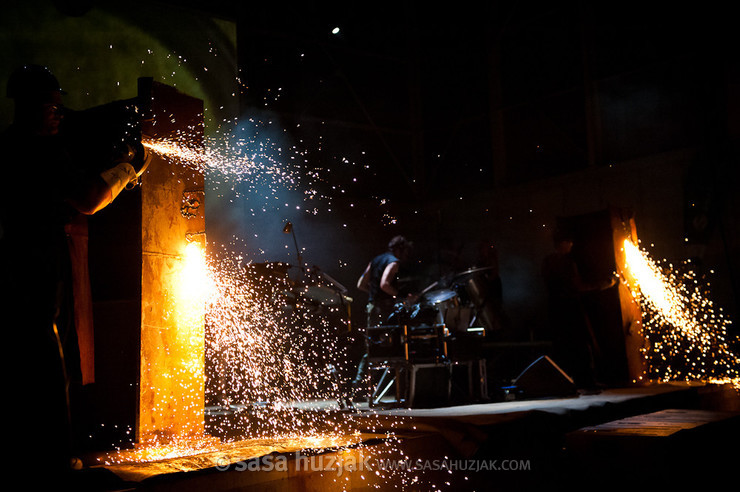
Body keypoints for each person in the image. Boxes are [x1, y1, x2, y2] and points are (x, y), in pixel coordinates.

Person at [0, 65, 147, 483]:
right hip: (40, 264)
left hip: (17, 261)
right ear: (29, 106)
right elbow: (88, 198)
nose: (58, 115)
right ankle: (55, 460)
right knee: (51, 365)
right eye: (52, 107)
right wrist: (128, 168)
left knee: (30, 362)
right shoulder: (40, 151)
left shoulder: (7, 146)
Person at [541, 228, 616, 389]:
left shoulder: (547, 261)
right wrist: (605, 284)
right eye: (569, 242)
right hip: (570, 309)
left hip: (554, 309)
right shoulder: (568, 263)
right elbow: (578, 286)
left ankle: (565, 381)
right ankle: (587, 381)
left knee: (563, 347)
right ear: (563, 243)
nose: (572, 245)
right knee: (582, 345)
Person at [351, 235, 414, 393]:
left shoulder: (376, 260)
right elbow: (385, 284)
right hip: (383, 309)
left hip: (372, 307)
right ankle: (395, 389)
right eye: (405, 251)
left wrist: (374, 294)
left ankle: (358, 387)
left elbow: (360, 284)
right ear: (400, 249)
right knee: (387, 347)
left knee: (371, 349)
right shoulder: (393, 262)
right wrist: (399, 297)